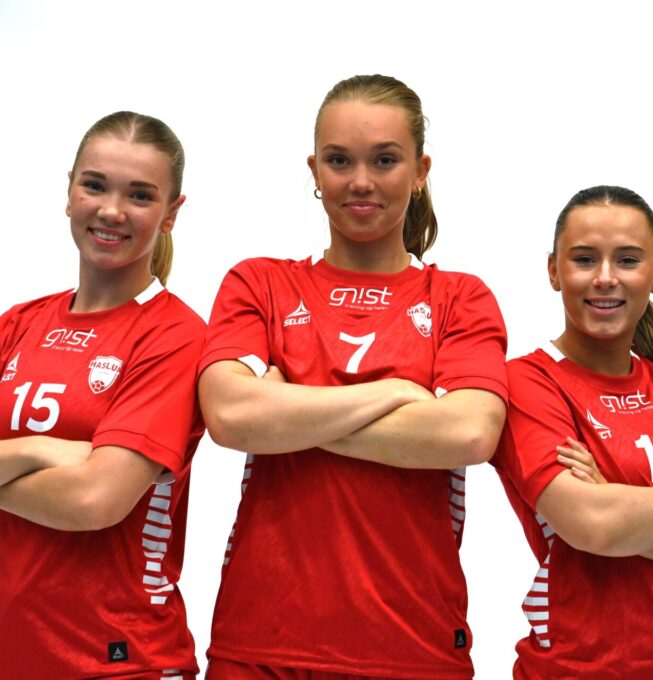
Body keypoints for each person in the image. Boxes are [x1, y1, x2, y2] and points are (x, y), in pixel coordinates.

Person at [198, 74, 508, 679]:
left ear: (419, 171)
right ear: (314, 170)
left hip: (412, 645)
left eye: (384, 160)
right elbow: (230, 417)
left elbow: (468, 434)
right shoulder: (259, 283)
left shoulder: (460, 298)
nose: (360, 181)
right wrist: (397, 395)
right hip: (261, 643)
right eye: (339, 160)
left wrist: (287, 411)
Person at [0, 111, 205, 679]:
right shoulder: (17, 324)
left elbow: (94, 501)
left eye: (140, 195)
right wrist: (44, 451)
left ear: (171, 213)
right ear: (70, 191)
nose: (112, 211)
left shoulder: (175, 336)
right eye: (95, 185)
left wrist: (15, 457)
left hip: (119, 660)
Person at [492, 185, 653, 679]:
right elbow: (593, 524)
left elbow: (609, 525)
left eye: (628, 260)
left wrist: (619, 504)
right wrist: (609, 516)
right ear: (554, 270)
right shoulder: (526, 383)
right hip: (578, 668)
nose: (605, 278)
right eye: (584, 259)